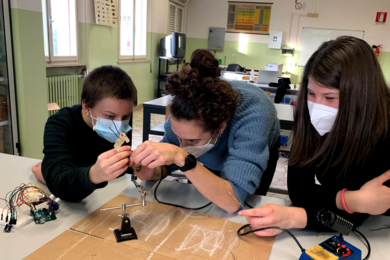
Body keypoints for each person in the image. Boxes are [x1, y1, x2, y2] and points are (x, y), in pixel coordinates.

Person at [239, 36, 390, 236]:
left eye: (329, 97)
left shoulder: (383, 129)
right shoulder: (308, 114)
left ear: (360, 96)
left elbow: (360, 215)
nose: (317, 107)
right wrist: (349, 200)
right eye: (311, 93)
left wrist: (295, 216)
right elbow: (299, 190)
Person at [129, 49, 280, 214]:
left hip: (257, 144)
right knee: (202, 196)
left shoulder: (254, 114)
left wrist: (181, 156)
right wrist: (150, 171)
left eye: (192, 141)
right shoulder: (184, 112)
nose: (183, 146)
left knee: (244, 212)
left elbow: (233, 200)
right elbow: (169, 165)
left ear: (220, 127)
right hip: (209, 137)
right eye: (179, 138)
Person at [32, 66, 137, 202]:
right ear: (86, 106)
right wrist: (93, 175)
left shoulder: (121, 117)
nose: (119, 125)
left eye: (126, 116)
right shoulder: (60, 124)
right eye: (110, 116)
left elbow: (120, 158)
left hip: (113, 190)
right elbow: (61, 184)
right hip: (81, 199)